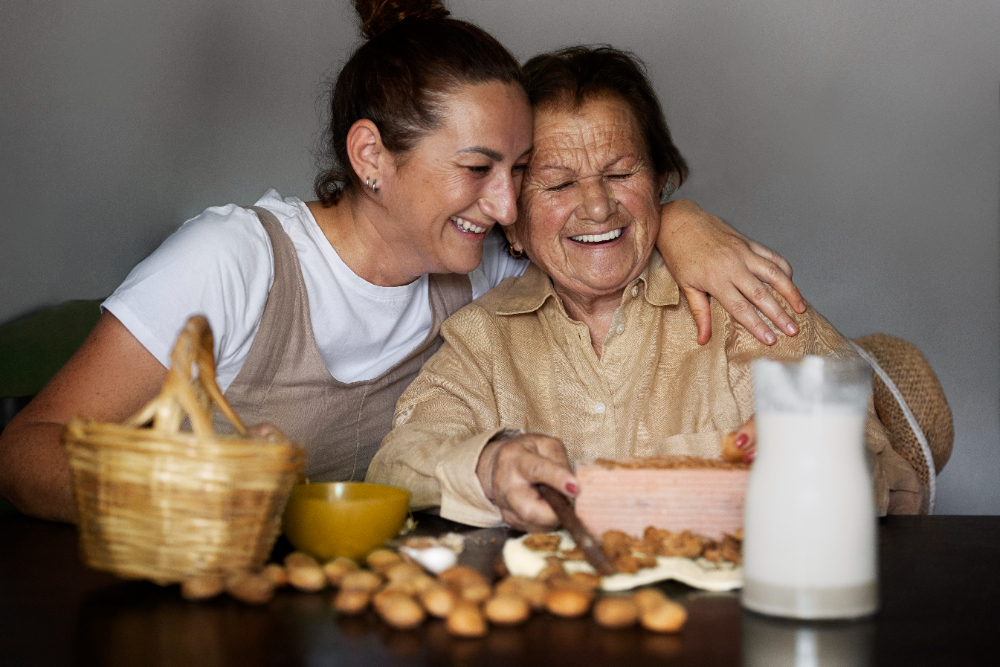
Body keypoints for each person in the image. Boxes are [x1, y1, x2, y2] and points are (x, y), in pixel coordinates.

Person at [0, 2, 805, 524]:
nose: (504, 205)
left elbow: (589, 230)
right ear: (372, 156)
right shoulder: (233, 261)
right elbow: (25, 448)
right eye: (478, 168)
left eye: (519, 171)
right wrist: (177, 490)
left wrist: (682, 223)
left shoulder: (477, 271)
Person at [366, 45, 923, 530]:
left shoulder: (741, 298)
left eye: (621, 173)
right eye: (558, 183)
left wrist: (811, 453)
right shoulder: (481, 339)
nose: (597, 206)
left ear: (660, 181)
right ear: (511, 214)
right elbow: (397, 464)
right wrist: (488, 466)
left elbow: (889, 474)